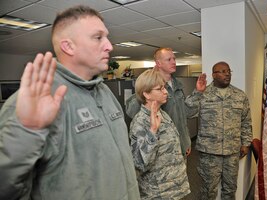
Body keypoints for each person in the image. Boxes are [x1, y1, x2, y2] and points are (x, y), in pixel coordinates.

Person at [0, 5, 140, 200]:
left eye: (106, 37)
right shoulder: (36, 101)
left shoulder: (104, 91)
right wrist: (27, 132)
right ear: (68, 46)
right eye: (98, 37)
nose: (109, 45)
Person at [126, 47, 207, 157]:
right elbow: (132, 111)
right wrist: (149, 84)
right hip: (162, 149)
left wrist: (198, 92)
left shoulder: (176, 85)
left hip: (180, 144)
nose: (174, 62)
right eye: (169, 59)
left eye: (174, 58)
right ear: (158, 63)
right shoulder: (151, 86)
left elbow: (185, 113)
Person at [192, 61, 253, 200]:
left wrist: (246, 143)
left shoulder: (239, 95)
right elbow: (188, 112)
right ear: (214, 75)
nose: (227, 74)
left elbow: (246, 121)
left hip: (232, 152)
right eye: (223, 71)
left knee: (230, 189)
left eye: (228, 71)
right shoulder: (203, 93)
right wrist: (197, 93)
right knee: (208, 190)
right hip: (209, 153)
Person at [129, 69, 190, 199]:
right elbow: (139, 164)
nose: (166, 92)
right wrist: (152, 132)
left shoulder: (162, 114)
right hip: (158, 193)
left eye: (164, 87)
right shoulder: (140, 122)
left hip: (174, 187)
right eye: (160, 89)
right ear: (146, 94)